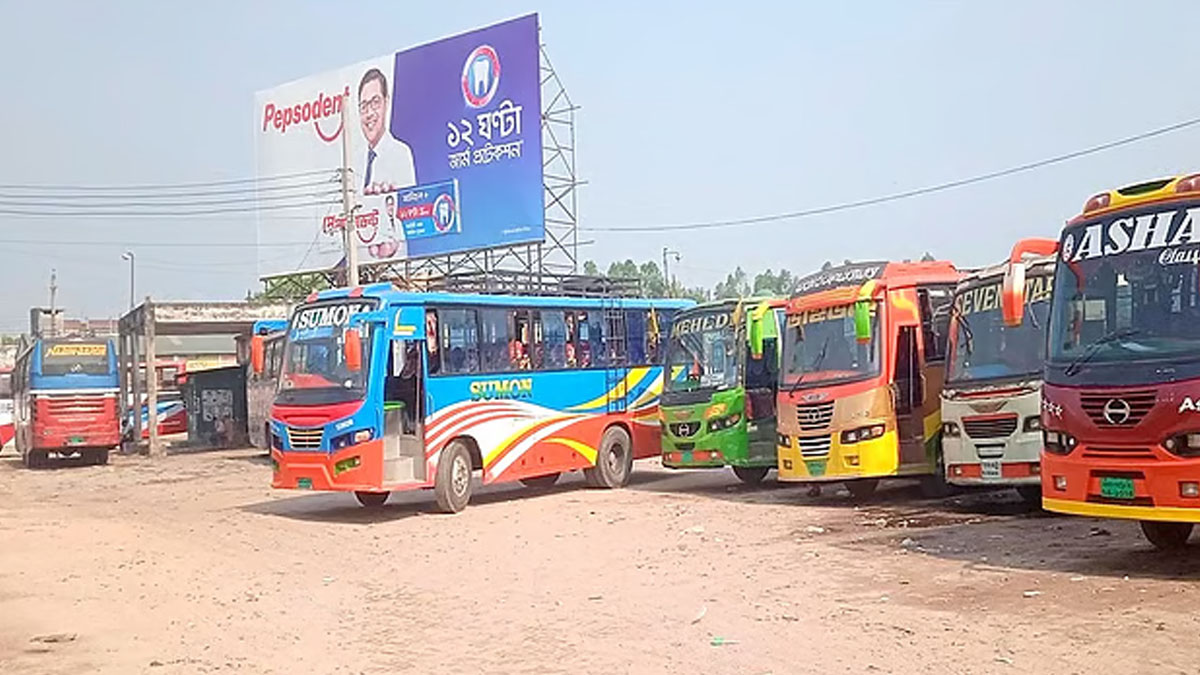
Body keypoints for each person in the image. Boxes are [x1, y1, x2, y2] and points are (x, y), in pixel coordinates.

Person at [358, 68, 416, 258]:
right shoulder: (355, 162)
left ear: (386, 103)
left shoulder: (400, 153)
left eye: (375, 103)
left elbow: (410, 215)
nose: (369, 113)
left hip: (394, 270)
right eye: (363, 106)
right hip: (358, 271)